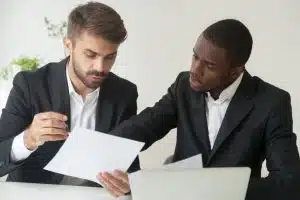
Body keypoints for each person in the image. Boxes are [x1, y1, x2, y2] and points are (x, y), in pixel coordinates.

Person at [98, 19, 300, 199]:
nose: (194, 70)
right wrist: (98, 150)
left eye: (209, 66)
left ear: (235, 71)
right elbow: (144, 126)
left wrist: (217, 189)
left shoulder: (272, 102)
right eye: (195, 56)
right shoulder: (184, 86)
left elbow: (289, 183)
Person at [0, 1, 139, 186]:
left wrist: (127, 181)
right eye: (90, 55)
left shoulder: (125, 94)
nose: (100, 67)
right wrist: (28, 139)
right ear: (68, 45)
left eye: (110, 57)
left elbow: (130, 167)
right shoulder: (30, 85)